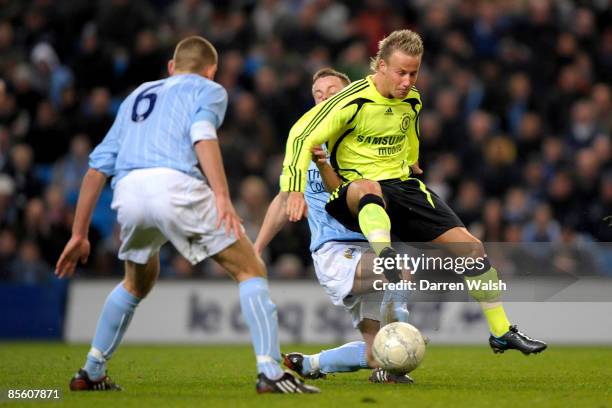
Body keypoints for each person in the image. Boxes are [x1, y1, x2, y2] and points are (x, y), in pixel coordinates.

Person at [54, 36, 318, 394]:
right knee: (250, 267)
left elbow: (96, 169)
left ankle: (91, 371)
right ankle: (270, 372)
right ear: (212, 71)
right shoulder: (209, 90)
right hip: (175, 185)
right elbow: (202, 134)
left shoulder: (136, 97)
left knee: (137, 280)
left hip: (129, 191)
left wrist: (79, 233)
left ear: (171, 67)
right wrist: (222, 196)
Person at [279, 30, 547, 355]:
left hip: (402, 188)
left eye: (413, 72)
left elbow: (409, 131)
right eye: (400, 72)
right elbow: (299, 135)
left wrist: (411, 159)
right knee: (367, 187)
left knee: (473, 249)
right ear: (380, 66)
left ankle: (501, 331)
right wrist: (292, 189)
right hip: (354, 195)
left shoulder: (412, 99)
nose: (407, 80)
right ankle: (386, 254)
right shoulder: (350, 101)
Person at [255, 67, 413, 384]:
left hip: (367, 248)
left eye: (332, 92)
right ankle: (403, 332)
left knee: (374, 353)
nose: (324, 98)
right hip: (335, 252)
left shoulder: (361, 140)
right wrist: (257, 248)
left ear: (348, 96)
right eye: (318, 94)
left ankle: (310, 363)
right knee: (400, 269)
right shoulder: (304, 144)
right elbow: (284, 198)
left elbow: (349, 194)